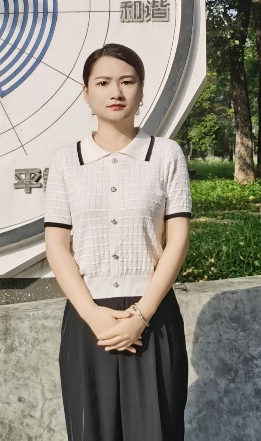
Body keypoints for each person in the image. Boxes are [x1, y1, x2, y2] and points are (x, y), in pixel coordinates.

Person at [44, 43, 192, 441]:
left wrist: (141, 315)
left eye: (127, 82)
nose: (116, 92)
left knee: (157, 431)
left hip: (153, 317)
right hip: (87, 318)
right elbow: (56, 246)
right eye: (103, 82)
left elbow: (177, 239)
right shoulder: (66, 161)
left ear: (141, 91)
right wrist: (92, 315)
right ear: (86, 92)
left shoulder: (166, 155)